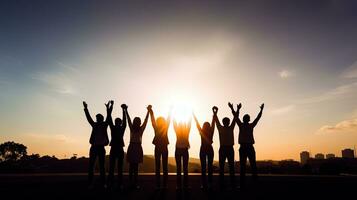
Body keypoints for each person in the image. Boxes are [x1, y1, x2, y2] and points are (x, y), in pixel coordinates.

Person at [235, 103, 264, 188]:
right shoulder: (251, 125)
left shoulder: (241, 125)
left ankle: (242, 184)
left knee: (243, 166)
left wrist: (237, 109)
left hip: (243, 147)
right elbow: (257, 118)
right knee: (253, 165)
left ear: (243, 119)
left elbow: (236, 118)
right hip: (249, 147)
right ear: (248, 119)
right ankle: (255, 183)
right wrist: (261, 110)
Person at [83, 101, 110, 189]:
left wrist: (108, 109)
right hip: (95, 147)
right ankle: (91, 183)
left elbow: (108, 117)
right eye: (97, 118)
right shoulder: (95, 125)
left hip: (100, 147)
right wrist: (86, 108)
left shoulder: (104, 125)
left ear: (101, 119)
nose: (97, 119)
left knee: (101, 166)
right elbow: (89, 118)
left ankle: (103, 183)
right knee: (92, 166)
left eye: (98, 118)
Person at [213, 103, 237, 190]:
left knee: (222, 167)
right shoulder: (230, 128)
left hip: (224, 148)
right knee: (230, 168)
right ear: (227, 122)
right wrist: (234, 109)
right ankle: (232, 184)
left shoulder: (221, 128)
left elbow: (216, 121)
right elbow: (235, 118)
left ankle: (222, 184)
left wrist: (215, 113)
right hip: (228, 148)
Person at [125, 105, 150, 189]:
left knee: (133, 167)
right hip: (135, 147)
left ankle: (133, 183)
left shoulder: (137, 129)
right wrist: (126, 110)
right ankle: (133, 183)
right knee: (134, 167)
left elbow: (145, 121)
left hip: (134, 147)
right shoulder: (137, 129)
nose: (137, 122)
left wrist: (148, 112)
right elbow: (129, 120)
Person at [148, 106, 172, 189]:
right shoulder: (164, 127)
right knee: (164, 167)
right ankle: (164, 185)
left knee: (158, 167)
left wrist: (151, 111)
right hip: (163, 148)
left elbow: (153, 120)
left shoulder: (157, 128)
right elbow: (168, 119)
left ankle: (159, 185)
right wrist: (170, 110)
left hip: (158, 148)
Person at [107, 100, 127, 189]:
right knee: (118, 168)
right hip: (118, 149)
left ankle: (112, 183)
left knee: (113, 167)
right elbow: (110, 118)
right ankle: (118, 184)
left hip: (115, 149)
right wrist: (123, 110)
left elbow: (109, 117)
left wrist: (111, 107)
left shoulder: (114, 128)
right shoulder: (119, 128)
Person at [192, 109, 215, 189]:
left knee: (204, 168)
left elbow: (197, 123)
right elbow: (213, 123)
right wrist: (214, 114)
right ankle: (209, 183)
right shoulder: (210, 131)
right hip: (208, 149)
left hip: (204, 149)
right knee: (209, 167)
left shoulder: (202, 131)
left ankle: (205, 184)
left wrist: (194, 115)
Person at [173, 116, 192, 190]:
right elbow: (189, 123)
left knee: (179, 168)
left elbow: (174, 123)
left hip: (178, 150)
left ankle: (179, 186)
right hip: (184, 150)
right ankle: (185, 185)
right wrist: (190, 114)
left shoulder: (178, 130)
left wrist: (172, 112)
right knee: (185, 168)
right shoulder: (186, 130)